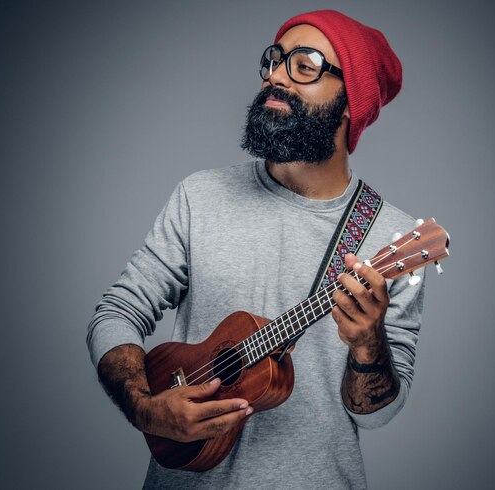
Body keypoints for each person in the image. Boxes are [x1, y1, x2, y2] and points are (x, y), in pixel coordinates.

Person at [87, 9, 425, 489]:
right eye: (275, 60)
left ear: (353, 100)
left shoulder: (393, 238)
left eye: (304, 65)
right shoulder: (198, 197)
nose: (274, 76)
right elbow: (117, 310)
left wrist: (369, 344)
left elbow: (374, 416)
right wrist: (145, 408)